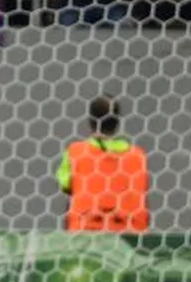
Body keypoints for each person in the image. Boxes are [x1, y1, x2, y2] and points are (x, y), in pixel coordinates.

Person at [57, 95, 149, 232]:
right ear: (117, 122)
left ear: (90, 120)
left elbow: (65, 184)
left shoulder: (75, 152)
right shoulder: (138, 156)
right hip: (129, 235)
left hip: (86, 233)